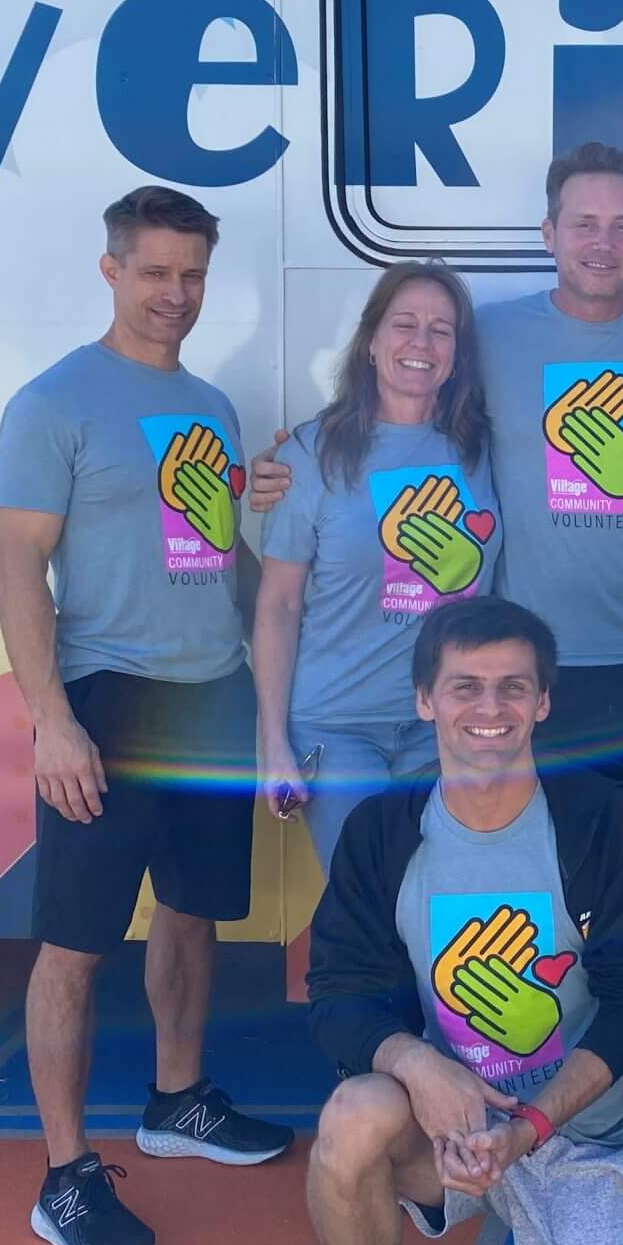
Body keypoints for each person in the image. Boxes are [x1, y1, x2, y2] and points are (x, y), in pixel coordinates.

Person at [256, 144, 623, 1162]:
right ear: (547, 235)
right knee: (449, 898)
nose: (602, 241)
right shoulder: (491, 339)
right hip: (519, 687)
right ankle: (412, 1121)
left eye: (622, 223)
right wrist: (278, 461)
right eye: (581, 222)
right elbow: (336, 483)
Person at [303, 597, 623, 1245]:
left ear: (544, 702)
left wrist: (528, 1124)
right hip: (449, 1131)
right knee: (354, 1114)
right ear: (424, 700)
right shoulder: (382, 831)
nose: (490, 710)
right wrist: (418, 1062)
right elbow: (336, 992)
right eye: (465, 688)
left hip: (577, 1131)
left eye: (513, 688)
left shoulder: (603, 820)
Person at [0, 185, 294, 1245]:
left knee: (192, 915)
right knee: (73, 946)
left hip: (209, 695)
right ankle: (65, 1174)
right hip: (108, 702)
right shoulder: (53, 402)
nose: (176, 294)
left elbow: (221, 562)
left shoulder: (210, 407)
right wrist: (51, 722)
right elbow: (18, 565)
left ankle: (177, 1099)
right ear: (112, 269)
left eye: (192, 275)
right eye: (156, 272)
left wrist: (286, 645)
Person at [251, 263, 501, 873]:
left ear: (457, 355)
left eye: (441, 331)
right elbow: (279, 604)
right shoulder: (310, 453)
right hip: (337, 728)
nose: (422, 344)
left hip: (448, 725)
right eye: (405, 324)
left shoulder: (483, 450)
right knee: (365, 907)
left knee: (441, 911)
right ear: (370, 341)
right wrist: (272, 743)